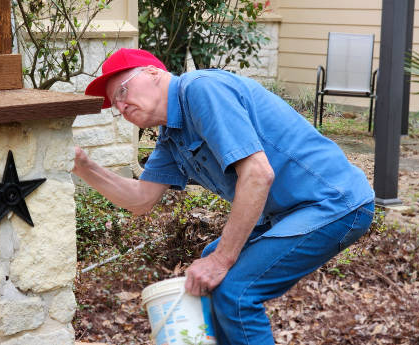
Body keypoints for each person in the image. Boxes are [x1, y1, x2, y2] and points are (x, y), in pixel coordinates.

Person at [74, 48, 375, 345]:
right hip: (291, 211)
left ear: (153, 73)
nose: (121, 106)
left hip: (334, 202)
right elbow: (141, 199)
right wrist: (83, 166)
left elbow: (258, 173)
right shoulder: (171, 136)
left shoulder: (201, 90)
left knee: (236, 291)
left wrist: (222, 259)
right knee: (214, 271)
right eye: (115, 104)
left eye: (123, 91)